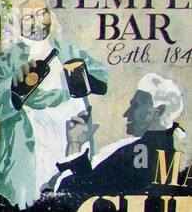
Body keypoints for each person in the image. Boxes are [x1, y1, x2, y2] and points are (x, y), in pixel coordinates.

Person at [0, 0, 109, 209]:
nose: (38, 21)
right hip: (31, 147)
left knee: (70, 201)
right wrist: (15, 86)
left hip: (70, 138)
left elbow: (102, 79)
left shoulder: (67, 50)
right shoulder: (7, 59)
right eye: (29, 17)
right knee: (31, 207)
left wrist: (83, 78)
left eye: (43, 13)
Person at [54, 74, 186, 197]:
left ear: (159, 111)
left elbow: (81, 192)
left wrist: (74, 145)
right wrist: (76, 144)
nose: (126, 114)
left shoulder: (136, 153)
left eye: (135, 105)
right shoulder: (168, 150)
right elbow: (97, 185)